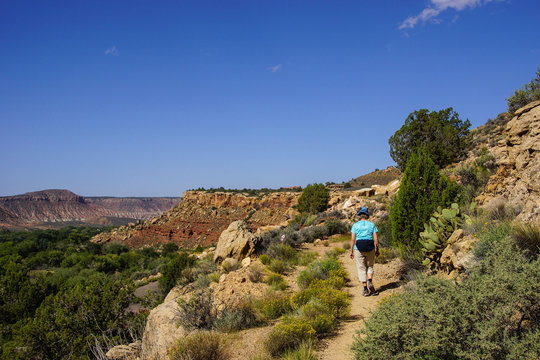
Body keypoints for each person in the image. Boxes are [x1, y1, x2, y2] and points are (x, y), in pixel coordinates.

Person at [349, 206, 379, 296]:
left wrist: (351, 251)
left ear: (360, 216)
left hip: (359, 249)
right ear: (367, 216)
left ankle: (365, 289)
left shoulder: (355, 225)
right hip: (370, 248)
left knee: (361, 268)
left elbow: (353, 239)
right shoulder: (372, 225)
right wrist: (377, 249)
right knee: (370, 266)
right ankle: (370, 281)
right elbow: (376, 239)